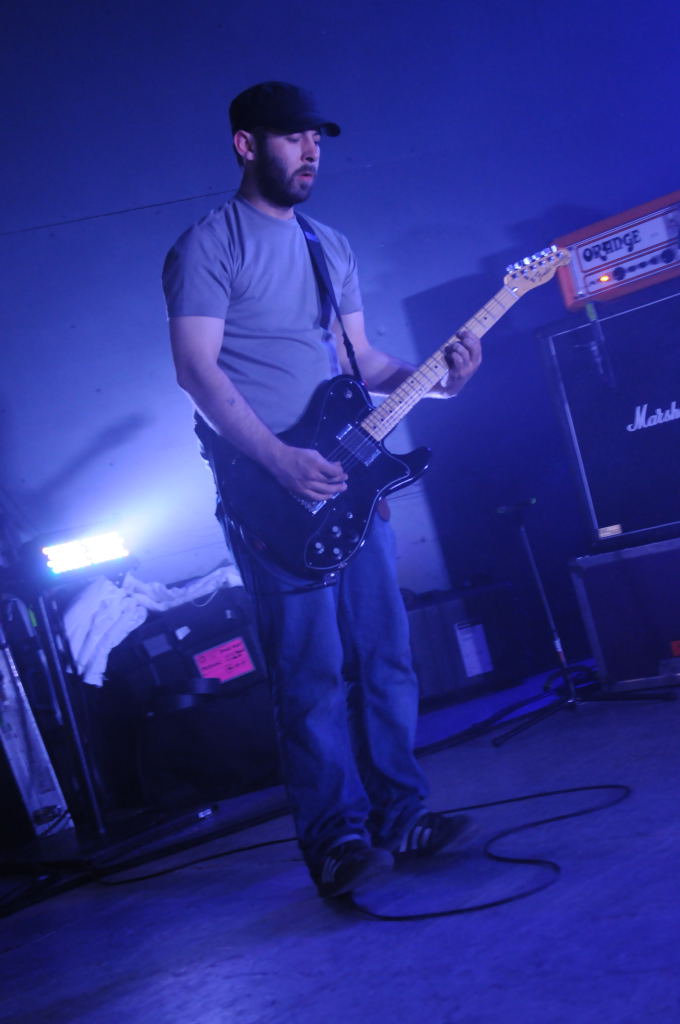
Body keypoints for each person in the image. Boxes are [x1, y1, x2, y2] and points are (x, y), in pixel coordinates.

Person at [162, 81, 482, 899]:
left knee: (385, 658)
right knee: (309, 676)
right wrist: (278, 460)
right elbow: (196, 370)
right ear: (246, 145)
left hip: (350, 479)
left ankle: (402, 814)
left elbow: (363, 364)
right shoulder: (208, 246)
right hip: (273, 493)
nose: (310, 151)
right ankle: (336, 840)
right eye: (291, 137)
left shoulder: (326, 245)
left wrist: (437, 380)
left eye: (317, 139)